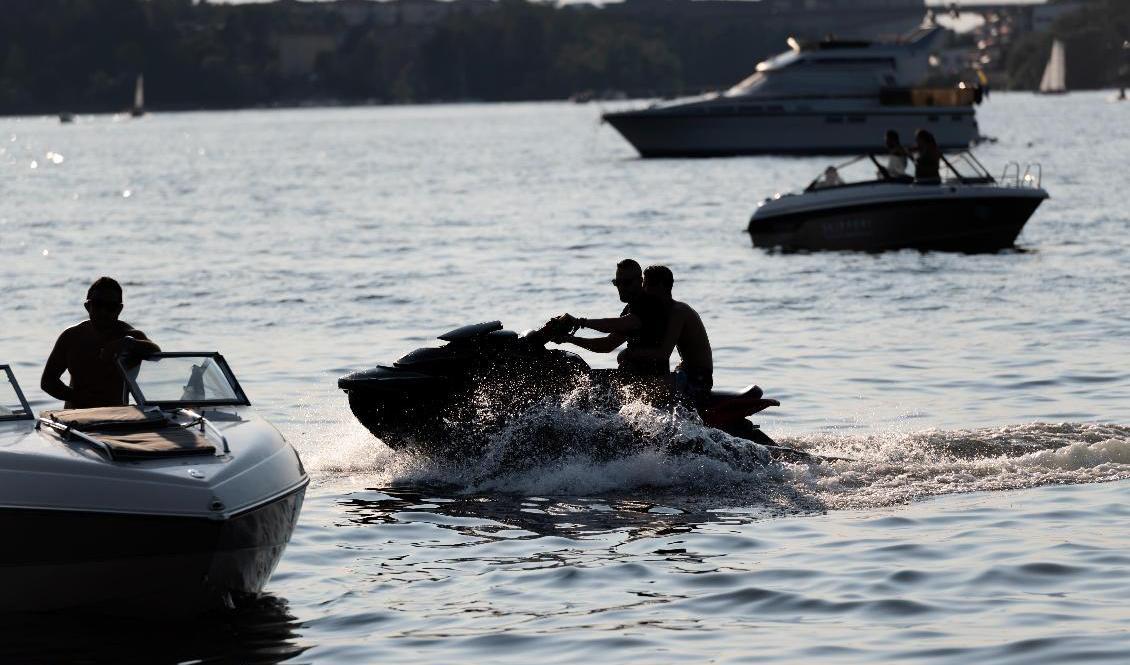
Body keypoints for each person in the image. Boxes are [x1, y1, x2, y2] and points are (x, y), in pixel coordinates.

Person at [41, 276, 161, 409]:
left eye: (110, 307)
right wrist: (76, 396)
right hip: (76, 418)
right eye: (98, 305)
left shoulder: (130, 336)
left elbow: (156, 353)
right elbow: (48, 381)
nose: (103, 312)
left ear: (119, 309)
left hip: (117, 418)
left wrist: (127, 343)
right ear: (88, 306)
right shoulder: (70, 337)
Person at [547, 259, 670, 378]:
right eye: (617, 283)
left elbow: (614, 325)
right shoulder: (629, 309)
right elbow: (607, 345)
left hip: (651, 380)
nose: (621, 288)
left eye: (626, 283)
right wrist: (570, 339)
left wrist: (579, 322)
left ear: (640, 281)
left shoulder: (648, 305)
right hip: (631, 376)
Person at [618, 265, 714, 404]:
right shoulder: (662, 312)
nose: (644, 290)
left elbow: (663, 354)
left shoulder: (678, 312)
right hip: (683, 373)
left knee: (641, 392)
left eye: (647, 285)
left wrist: (630, 353)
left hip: (697, 379)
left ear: (662, 286)